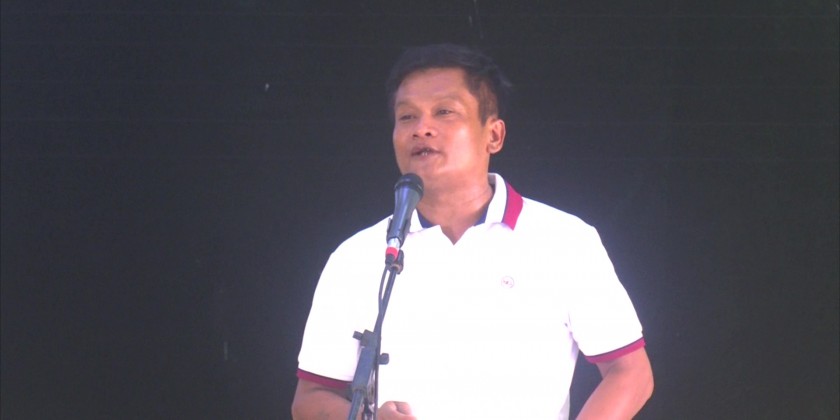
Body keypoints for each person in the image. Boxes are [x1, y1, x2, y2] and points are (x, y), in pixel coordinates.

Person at [292, 44, 653, 419]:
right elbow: (311, 398)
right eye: (407, 116)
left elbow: (631, 373)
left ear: (493, 135)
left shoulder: (563, 241)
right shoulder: (357, 257)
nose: (421, 129)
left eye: (444, 112)